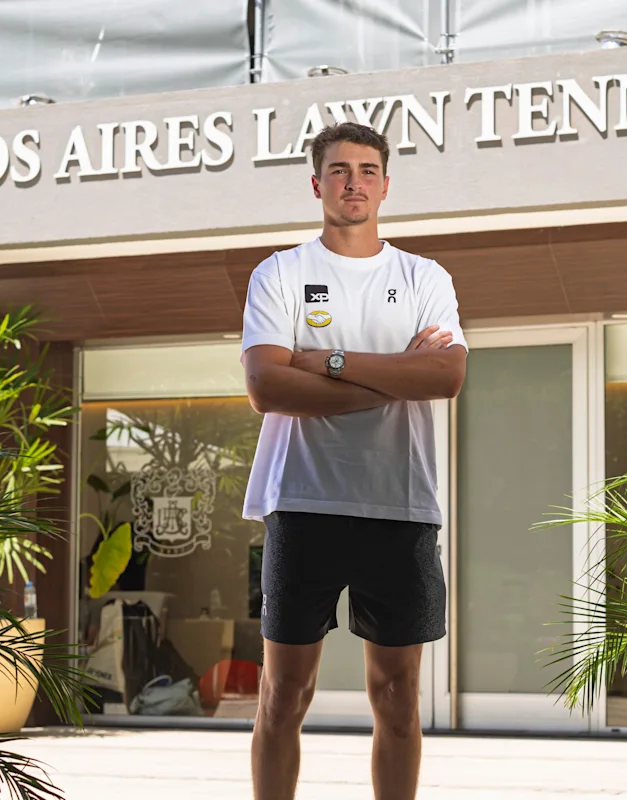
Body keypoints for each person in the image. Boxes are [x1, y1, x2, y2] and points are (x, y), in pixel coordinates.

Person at [240, 121, 467, 800]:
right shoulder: (280, 273)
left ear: (386, 186)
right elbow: (267, 387)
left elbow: (446, 375)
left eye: (368, 171)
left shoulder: (423, 277)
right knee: (283, 694)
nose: (354, 183)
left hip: (400, 506)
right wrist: (397, 375)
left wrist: (331, 363)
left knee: (397, 697)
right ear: (317, 185)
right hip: (301, 504)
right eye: (339, 170)